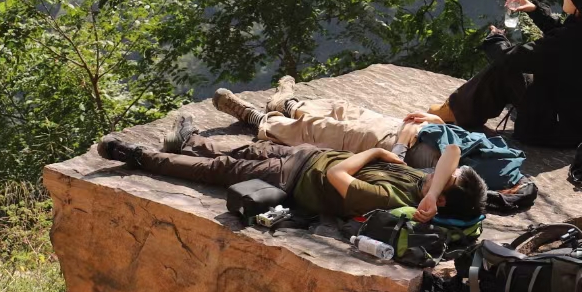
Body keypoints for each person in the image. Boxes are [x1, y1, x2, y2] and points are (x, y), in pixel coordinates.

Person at [96, 114, 487, 223]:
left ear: (442, 199)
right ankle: (190, 141)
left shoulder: (393, 200)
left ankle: (138, 156)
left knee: (219, 168)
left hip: (296, 178)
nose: (437, 173)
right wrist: (399, 151)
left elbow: (338, 177)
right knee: (245, 150)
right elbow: (452, 152)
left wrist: (373, 153)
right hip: (307, 155)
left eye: (445, 180)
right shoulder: (423, 184)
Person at [433, 0, 582, 148]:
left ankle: (454, 111)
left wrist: (496, 39)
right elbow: (564, 36)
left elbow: (511, 58)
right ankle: (458, 109)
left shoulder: (569, 42)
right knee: (519, 72)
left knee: (504, 70)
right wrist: (535, 10)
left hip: (562, 130)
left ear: (578, 6)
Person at [211, 85, 526, 192]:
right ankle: (288, 104)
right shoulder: (503, 163)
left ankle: (257, 117)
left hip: (396, 142)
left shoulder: (485, 178)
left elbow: (439, 167)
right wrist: (435, 121)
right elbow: (459, 143)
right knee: (344, 111)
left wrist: (401, 146)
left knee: (322, 132)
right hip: (407, 131)